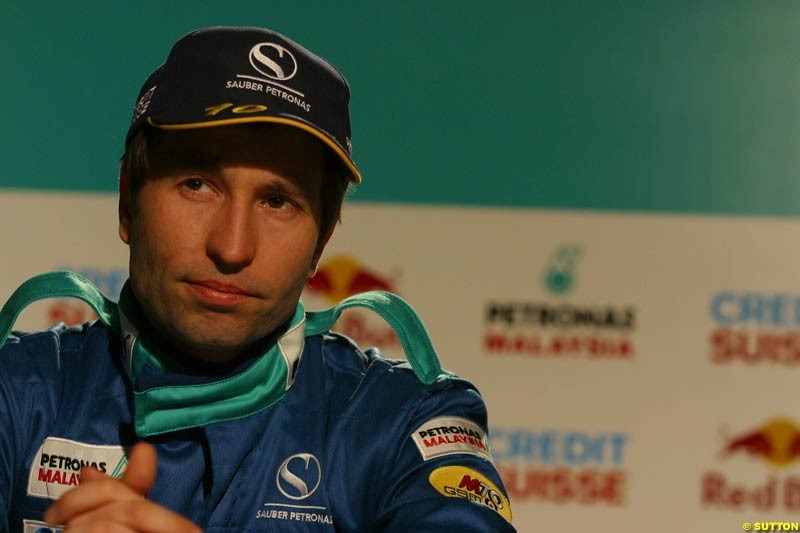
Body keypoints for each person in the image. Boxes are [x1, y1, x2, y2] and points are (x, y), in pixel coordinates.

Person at [0, 26, 515, 532]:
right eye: (197, 184)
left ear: (321, 242)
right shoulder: (16, 388)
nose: (232, 247)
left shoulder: (404, 419)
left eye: (277, 201)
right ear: (127, 203)